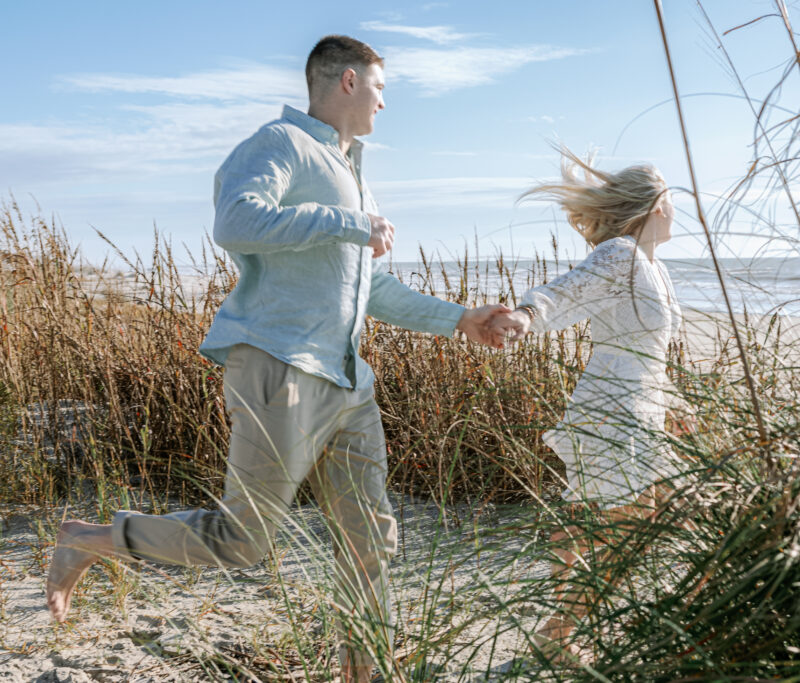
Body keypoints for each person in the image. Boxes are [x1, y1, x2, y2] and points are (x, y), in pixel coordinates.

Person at [45, 35, 507, 683]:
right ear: (347, 81)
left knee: (369, 539)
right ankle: (90, 540)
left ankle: (366, 672)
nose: (384, 103)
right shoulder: (281, 144)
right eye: (380, 89)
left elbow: (370, 288)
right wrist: (346, 224)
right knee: (243, 539)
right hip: (279, 367)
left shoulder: (354, 173)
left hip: (347, 381)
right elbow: (237, 219)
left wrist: (461, 319)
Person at [490, 147, 691, 664]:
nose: (676, 208)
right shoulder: (619, 254)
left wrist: (674, 402)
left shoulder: (653, 267)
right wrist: (526, 315)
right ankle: (559, 634)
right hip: (612, 408)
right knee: (630, 523)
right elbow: (564, 294)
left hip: (642, 405)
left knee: (613, 518)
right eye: (671, 197)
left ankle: (560, 630)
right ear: (656, 205)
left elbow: (656, 350)